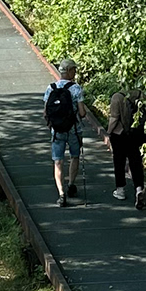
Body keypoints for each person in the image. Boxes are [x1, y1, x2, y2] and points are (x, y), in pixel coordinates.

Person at [43, 57, 86, 205]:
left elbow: (45, 113)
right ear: (68, 71)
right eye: (74, 69)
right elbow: (82, 113)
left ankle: (61, 194)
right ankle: (71, 184)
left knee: (58, 162)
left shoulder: (51, 88)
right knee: (74, 156)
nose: (75, 72)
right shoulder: (76, 89)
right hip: (73, 130)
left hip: (57, 131)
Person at [106, 88, 146, 205]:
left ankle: (120, 190)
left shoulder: (117, 97)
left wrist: (108, 132)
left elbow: (114, 119)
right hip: (136, 133)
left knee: (119, 161)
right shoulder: (141, 94)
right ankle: (139, 188)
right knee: (135, 161)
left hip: (119, 134)